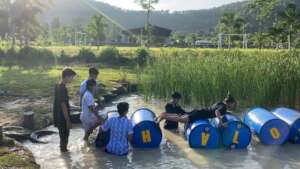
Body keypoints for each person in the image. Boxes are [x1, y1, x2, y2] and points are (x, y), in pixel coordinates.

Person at [160, 93, 236, 126]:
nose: (234, 105)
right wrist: (221, 122)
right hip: (199, 115)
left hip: (199, 111)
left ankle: (165, 115)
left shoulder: (220, 103)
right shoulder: (223, 107)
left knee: (180, 118)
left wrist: (228, 113)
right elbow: (217, 111)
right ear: (229, 103)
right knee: (181, 120)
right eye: (233, 103)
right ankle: (164, 116)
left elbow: (216, 110)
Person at [53, 68, 76, 152]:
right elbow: (63, 105)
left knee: (62, 136)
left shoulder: (57, 85)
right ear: (66, 76)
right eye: (72, 77)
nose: (72, 79)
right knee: (65, 136)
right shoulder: (62, 88)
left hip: (58, 115)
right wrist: (68, 120)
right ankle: (65, 154)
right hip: (62, 116)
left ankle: (63, 152)